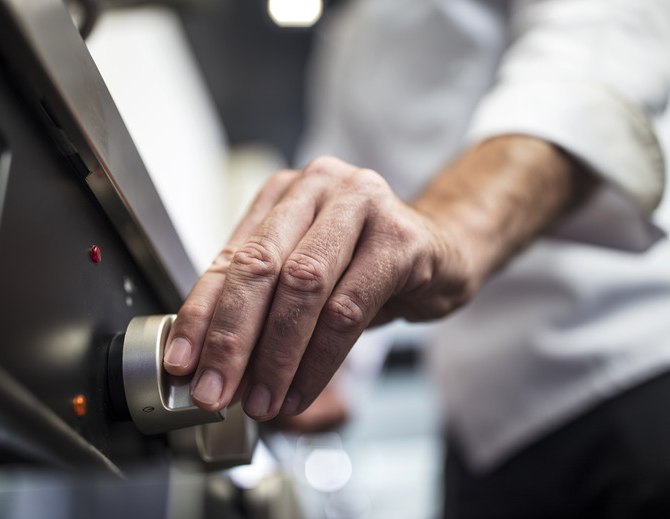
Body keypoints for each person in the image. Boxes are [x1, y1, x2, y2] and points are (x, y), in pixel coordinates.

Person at [163, 0, 670, 516]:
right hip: (481, 430)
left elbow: (589, 66)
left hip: (634, 375)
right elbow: (351, 191)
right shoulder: (353, 35)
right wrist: (314, 364)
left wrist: (451, 229)